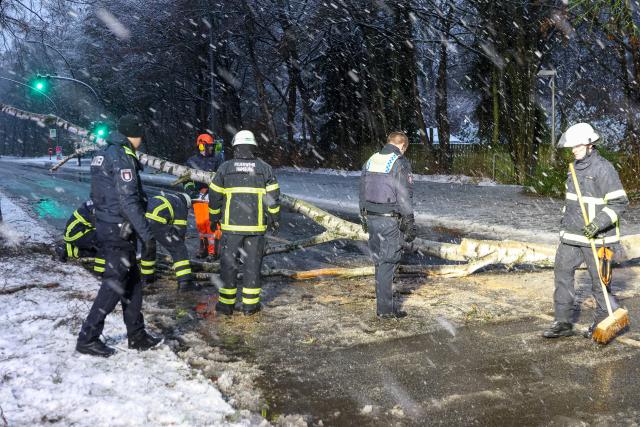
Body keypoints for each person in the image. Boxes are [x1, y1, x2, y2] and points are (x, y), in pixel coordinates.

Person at [76, 114, 161, 357]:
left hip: (109, 225)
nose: (141, 139)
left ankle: (137, 335)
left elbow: (102, 194)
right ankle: (87, 337)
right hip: (117, 230)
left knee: (132, 283)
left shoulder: (104, 152)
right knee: (114, 285)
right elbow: (128, 200)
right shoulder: (122, 157)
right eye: (140, 135)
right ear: (132, 135)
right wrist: (147, 235)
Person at [543, 123, 629, 339]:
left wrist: (596, 224)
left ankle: (602, 323)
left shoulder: (604, 169)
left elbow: (619, 203)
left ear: (590, 144)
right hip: (571, 236)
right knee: (562, 276)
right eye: (571, 146)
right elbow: (572, 203)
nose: (573, 150)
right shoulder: (573, 168)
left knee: (599, 282)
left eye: (577, 145)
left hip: (598, 238)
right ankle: (562, 323)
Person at [209, 130, 280, 316]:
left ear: (235, 146)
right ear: (254, 147)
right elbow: (272, 198)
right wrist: (274, 218)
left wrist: (213, 217)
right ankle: (250, 306)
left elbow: (214, 195)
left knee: (228, 266)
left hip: (231, 229)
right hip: (255, 229)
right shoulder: (264, 168)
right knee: (252, 267)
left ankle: (226, 306)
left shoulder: (225, 168)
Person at [359, 131, 416, 319]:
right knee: (388, 262)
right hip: (389, 220)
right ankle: (385, 310)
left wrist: (363, 217)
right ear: (402, 146)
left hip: (372, 218)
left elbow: (362, 190)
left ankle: (384, 306)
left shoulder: (371, 160)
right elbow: (404, 195)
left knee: (379, 263)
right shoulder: (399, 163)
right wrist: (409, 222)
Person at [140, 192, 199, 291]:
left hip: (142, 219)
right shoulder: (180, 204)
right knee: (179, 248)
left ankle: (147, 278)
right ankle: (185, 282)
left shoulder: (166, 196)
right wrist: (177, 246)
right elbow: (180, 231)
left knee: (148, 246)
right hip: (156, 220)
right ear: (187, 204)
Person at [185, 133, 222, 259]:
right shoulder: (191, 161)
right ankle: (204, 247)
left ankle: (213, 251)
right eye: (209, 146)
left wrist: (211, 189)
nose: (212, 148)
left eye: (212, 146)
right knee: (201, 225)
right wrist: (191, 189)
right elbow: (186, 179)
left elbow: (220, 179)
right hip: (198, 197)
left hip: (212, 197)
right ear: (202, 146)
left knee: (213, 225)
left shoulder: (217, 160)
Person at [54, 200, 105, 275]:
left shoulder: (103, 199)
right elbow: (103, 226)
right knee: (107, 241)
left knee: (99, 248)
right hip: (76, 233)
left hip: (76, 232)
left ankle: (68, 250)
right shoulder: (103, 205)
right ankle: (100, 272)